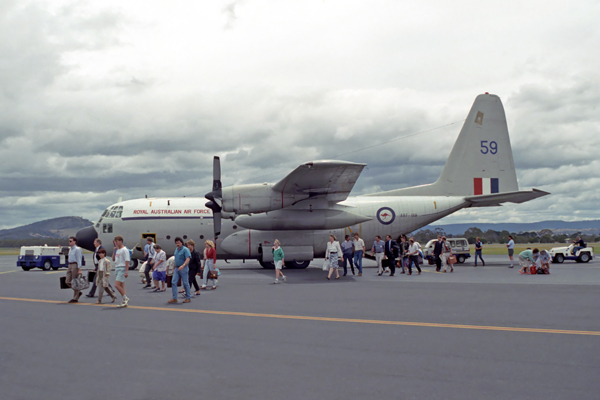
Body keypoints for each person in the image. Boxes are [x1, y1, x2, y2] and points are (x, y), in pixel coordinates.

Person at [169, 237, 191, 303]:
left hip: (183, 268)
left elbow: (188, 258)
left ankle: (188, 297)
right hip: (177, 268)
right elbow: (176, 259)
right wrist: (173, 268)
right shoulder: (176, 250)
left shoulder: (185, 249)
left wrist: (183, 265)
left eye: (178, 242)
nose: (177, 244)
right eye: (176, 243)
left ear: (182, 242)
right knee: (173, 282)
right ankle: (174, 297)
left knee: (185, 283)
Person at [112, 235, 130, 308]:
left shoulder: (124, 250)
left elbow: (127, 261)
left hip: (122, 268)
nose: (116, 243)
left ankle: (125, 297)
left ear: (120, 241)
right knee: (122, 285)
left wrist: (126, 271)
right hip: (117, 267)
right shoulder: (118, 250)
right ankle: (124, 300)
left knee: (116, 285)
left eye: (116, 241)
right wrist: (114, 250)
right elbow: (113, 259)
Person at [66, 236, 84, 303]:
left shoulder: (77, 249)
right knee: (67, 281)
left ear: (74, 242)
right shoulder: (70, 249)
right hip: (70, 264)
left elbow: (79, 259)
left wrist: (79, 269)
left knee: (74, 281)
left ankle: (75, 298)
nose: (69, 242)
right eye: (69, 241)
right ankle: (78, 292)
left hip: (75, 265)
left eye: (70, 241)